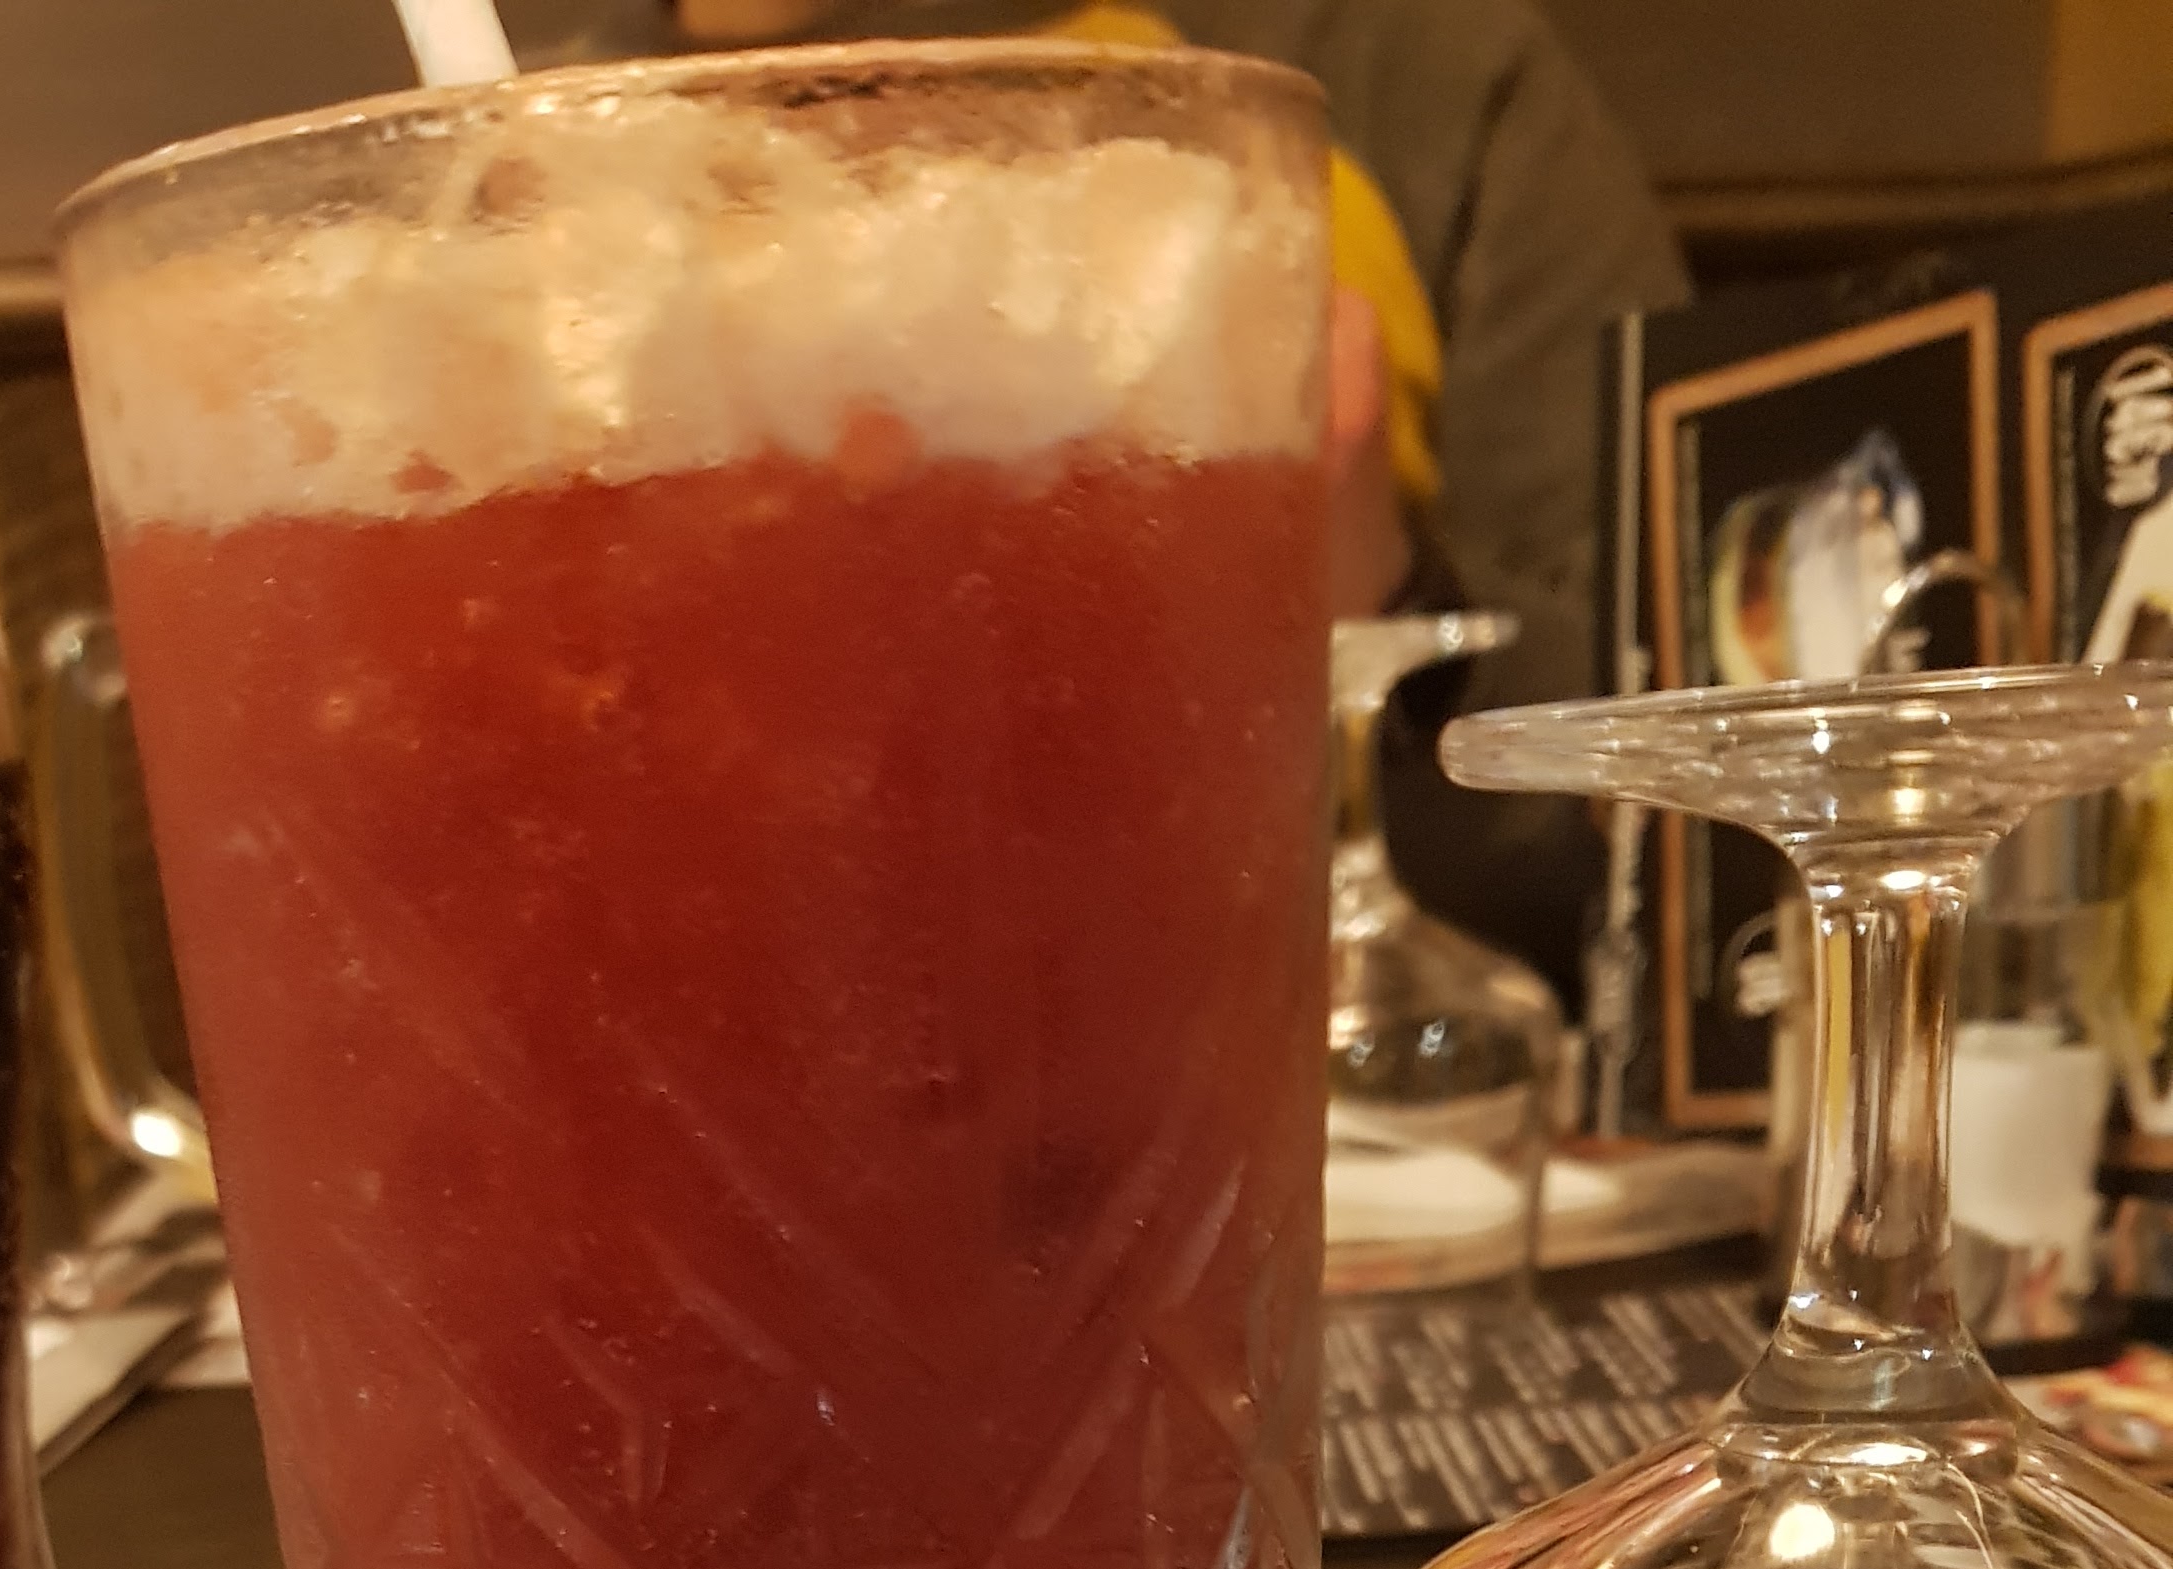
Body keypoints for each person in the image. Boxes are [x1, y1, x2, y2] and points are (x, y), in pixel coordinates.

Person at [517, 0, 1689, 994]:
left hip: (1269, 1058)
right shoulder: (501, 159)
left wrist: (1371, 590)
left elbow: (1691, 829)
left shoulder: (1402, 65)